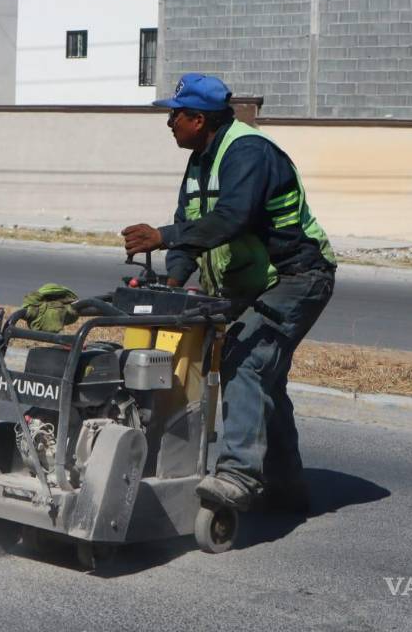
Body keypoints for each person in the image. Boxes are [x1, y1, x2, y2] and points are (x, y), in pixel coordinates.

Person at [122, 73, 336, 512]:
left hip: (297, 277)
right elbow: (191, 223)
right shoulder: (201, 159)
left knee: (246, 358)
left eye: (174, 116)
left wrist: (161, 236)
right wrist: (173, 283)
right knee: (264, 378)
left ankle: (240, 475)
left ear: (198, 119)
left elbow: (232, 218)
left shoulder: (248, 152)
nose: (169, 125)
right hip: (255, 280)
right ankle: (285, 484)